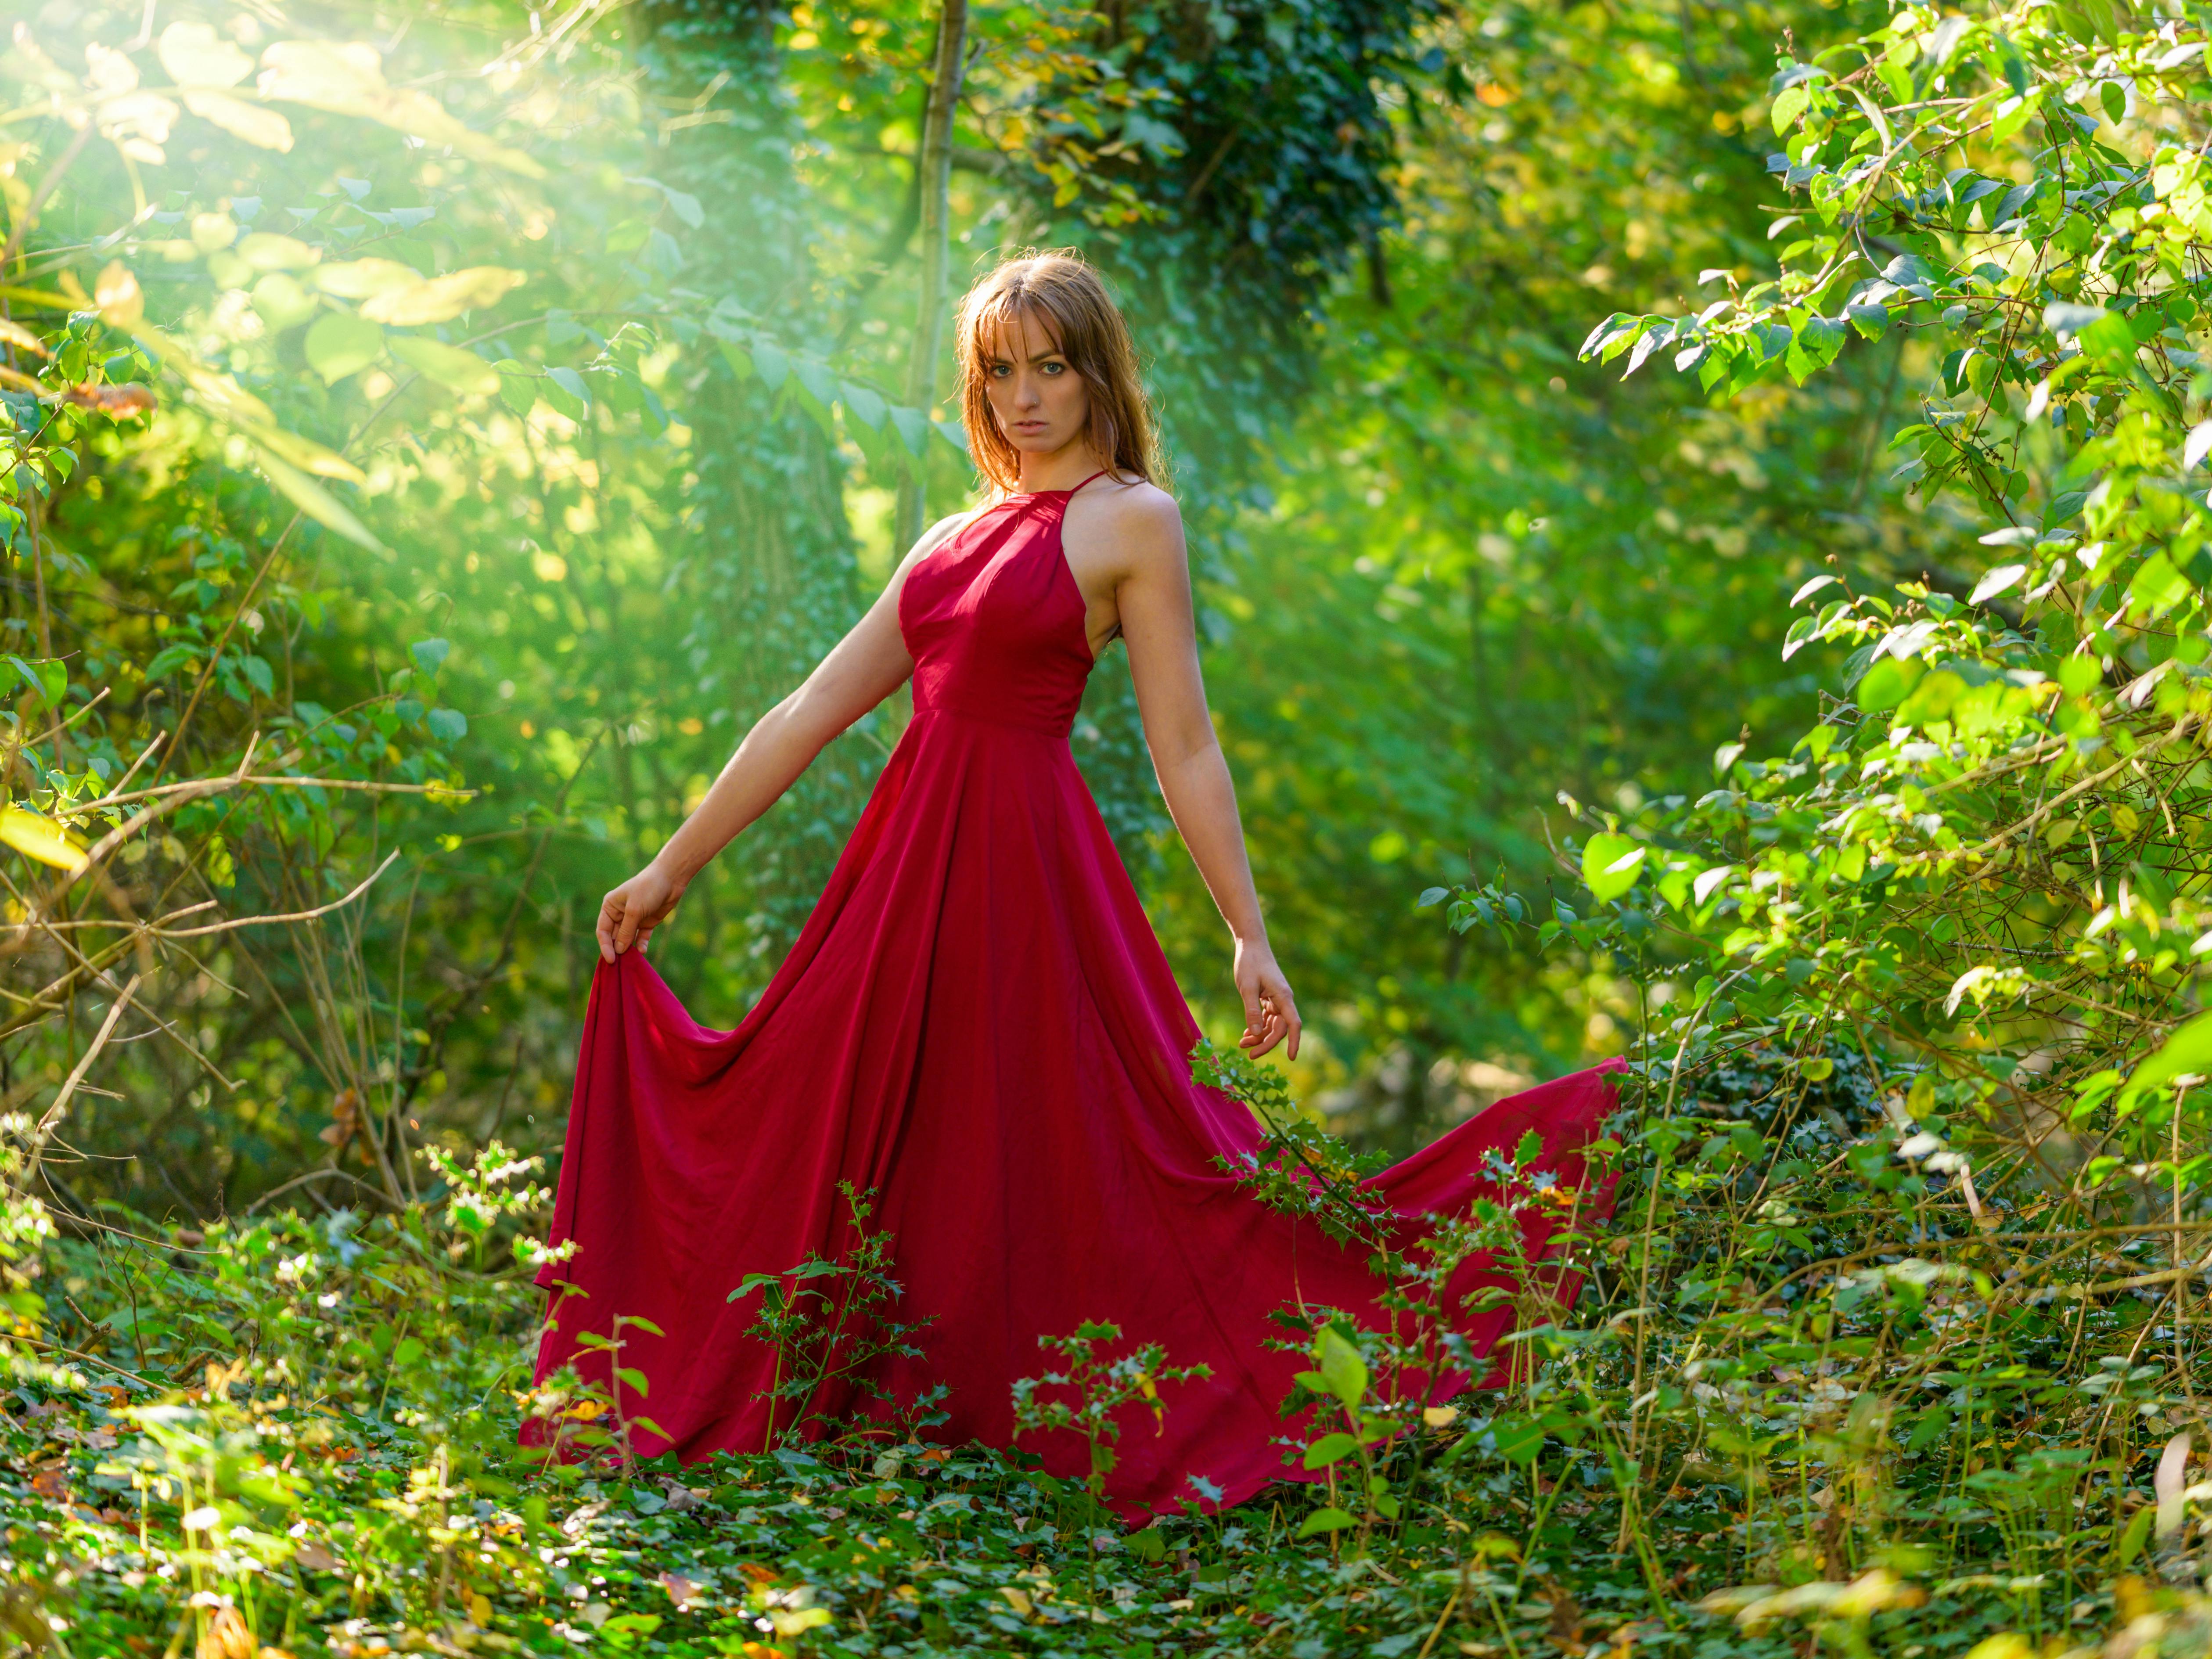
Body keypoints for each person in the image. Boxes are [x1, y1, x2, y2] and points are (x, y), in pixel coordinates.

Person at [531, 250, 1619, 1513]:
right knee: (841, 1111)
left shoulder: (1132, 522)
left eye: (1051, 366)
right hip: (904, 872)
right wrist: (673, 863)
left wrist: (1248, 934)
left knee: (1088, 1144)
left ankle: (1090, 1405)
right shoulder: (950, 537)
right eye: (1000, 373)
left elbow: (1187, 743)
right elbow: (814, 704)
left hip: (1028, 878)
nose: (1026, 397)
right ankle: (891, 1395)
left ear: (1098, 371)